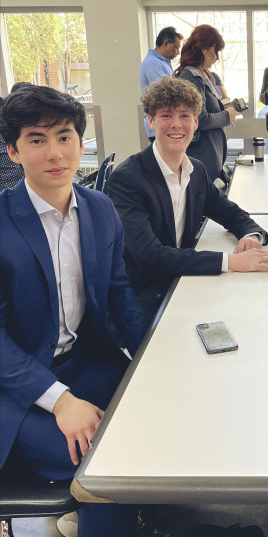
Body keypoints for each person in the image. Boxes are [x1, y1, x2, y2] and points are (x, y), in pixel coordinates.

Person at [0, 84, 146, 537]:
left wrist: (152, 361)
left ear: (81, 144)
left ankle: (121, 520)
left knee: (164, 421)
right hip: (17, 390)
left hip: (85, 362)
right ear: (13, 151)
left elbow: (120, 293)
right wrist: (60, 401)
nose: (54, 153)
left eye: (64, 136)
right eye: (36, 140)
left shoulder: (100, 209)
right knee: (106, 464)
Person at [108, 76, 268, 329]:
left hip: (184, 284)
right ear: (151, 121)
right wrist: (231, 261)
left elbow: (229, 212)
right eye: (166, 115)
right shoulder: (127, 178)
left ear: (196, 122)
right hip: (143, 299)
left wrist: (251, 235)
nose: (176, 125)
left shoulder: (194, 170)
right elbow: (150, 256)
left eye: (185, 116)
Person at [174, 24, 241, 183]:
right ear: (204, 49)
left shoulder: (201, 75)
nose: (216, 56)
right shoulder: (192, 77)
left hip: (210, 156)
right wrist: (226, 116)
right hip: (202, 156)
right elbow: (201, 119)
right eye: (215, 50)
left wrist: (225, 111)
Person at [140, 25, 184, 143]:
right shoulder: (153, 64)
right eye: (175, 48)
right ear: (165, 43)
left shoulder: (163, 62)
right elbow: (165, 93)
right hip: (160, 125)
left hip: (166, 121)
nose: (178, 52)